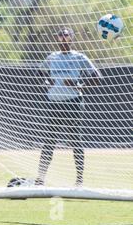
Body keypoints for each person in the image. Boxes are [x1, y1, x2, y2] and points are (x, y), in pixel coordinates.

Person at [35, 28, 102, 187]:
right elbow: (39, 73)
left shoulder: (79, 57)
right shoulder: (51, 57)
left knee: (75, 140)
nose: (63, 37)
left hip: (73, 103)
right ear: (56, 38)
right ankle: (40, 178)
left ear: (72, 38)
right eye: (60, 35)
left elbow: (97, 77)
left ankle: (79, 180)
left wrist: (79, 86)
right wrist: (46, 82)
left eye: (66, 35)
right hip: (54, 104)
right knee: (49, 140)